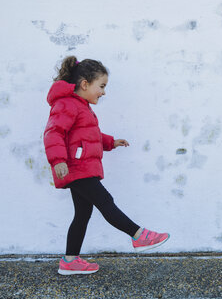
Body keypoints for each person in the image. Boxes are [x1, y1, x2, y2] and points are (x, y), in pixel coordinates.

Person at [44, 56, 170, 275]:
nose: (103, 92)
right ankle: (139, 235)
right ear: (84, 84)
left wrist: (111, 142)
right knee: (106, 202)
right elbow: (53, 132)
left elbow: (89, 135)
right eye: (101, 86)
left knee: (82, 214)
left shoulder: (81, 106)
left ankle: (70, 261)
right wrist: (58, 160)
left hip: (81, 166)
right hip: (77, 167)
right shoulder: (67, 104)